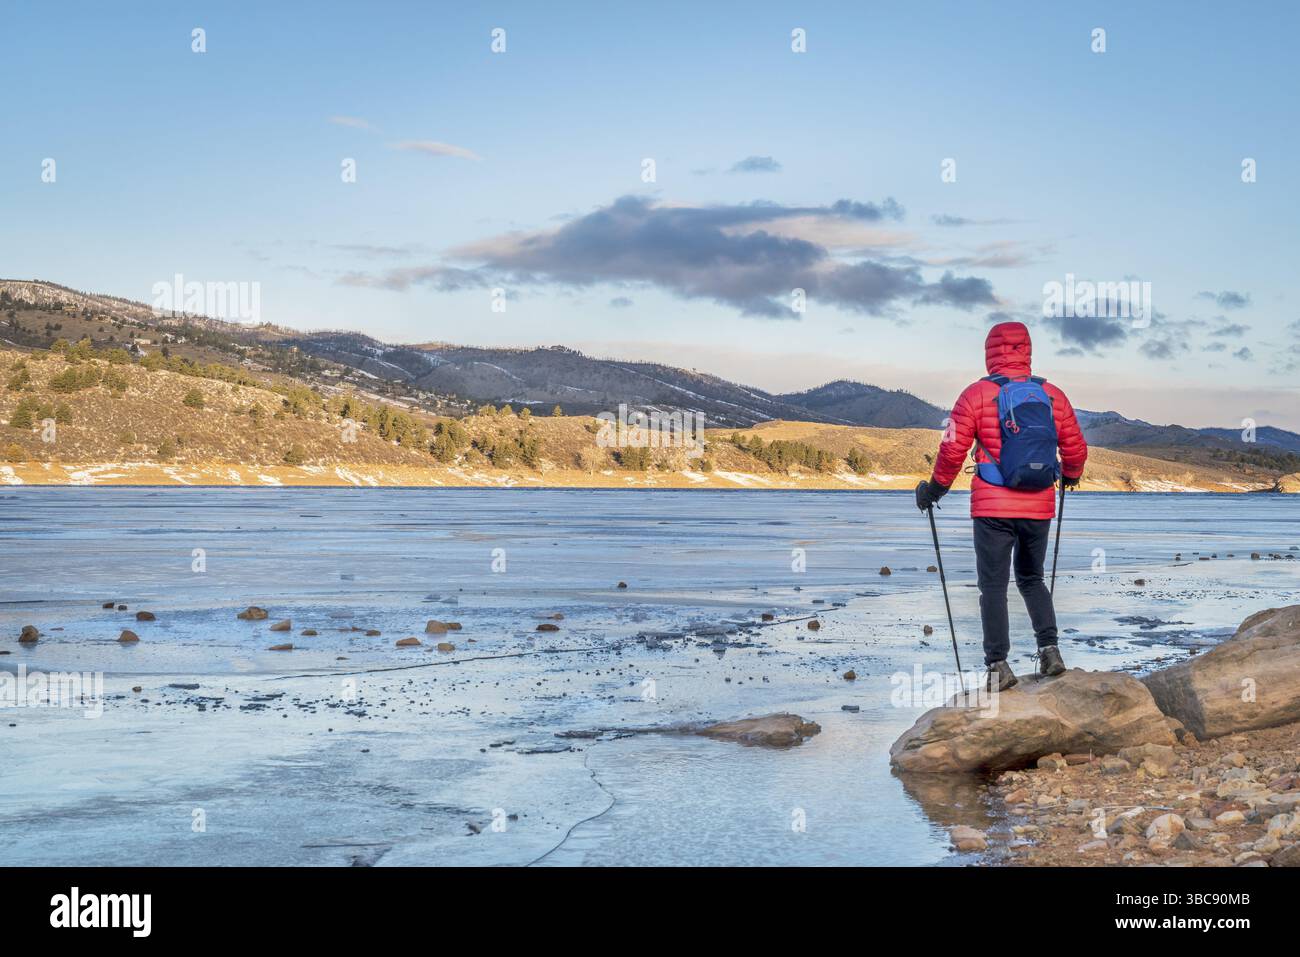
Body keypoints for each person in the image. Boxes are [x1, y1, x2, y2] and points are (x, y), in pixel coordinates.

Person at [914, 321, 1088, 691]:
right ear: (1027, 350)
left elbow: (952, 448)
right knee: (1031, 579)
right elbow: (1075, 446)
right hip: (1038, 506)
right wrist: (1070, 476)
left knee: (992, 586)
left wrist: (934, 490)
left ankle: (998, 667)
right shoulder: (1052, 395)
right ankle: (1050, 652)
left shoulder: (976, 395)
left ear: (990, 352)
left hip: (993, 507)